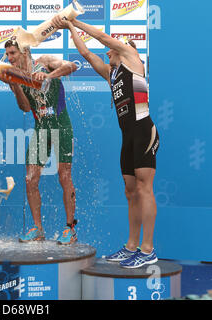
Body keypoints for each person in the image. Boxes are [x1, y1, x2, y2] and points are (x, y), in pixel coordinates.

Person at [52, 16, 160, 267]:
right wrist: (69, 28)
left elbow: (101, 38)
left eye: (112, 47)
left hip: (144, 131)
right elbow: (87, 53)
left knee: (144, 189)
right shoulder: (112, 74)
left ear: (124, 49)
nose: (107, 50)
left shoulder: (132, 58)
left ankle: (148, 249)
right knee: (130, 192)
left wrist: (75, 21)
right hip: (128, 136)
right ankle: (131, 246)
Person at [0, 39, 78, 245]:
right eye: (7, 54)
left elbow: (72, 66)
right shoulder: (15, 75)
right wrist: (15, 87)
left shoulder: (44, 61)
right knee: (30, 179)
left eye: (13, 53)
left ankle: (70, 228)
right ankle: (37, 229)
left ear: (25, 51)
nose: (9, 58)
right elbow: (25, 108)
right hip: (41, 128)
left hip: (61, 125)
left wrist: (47, 75)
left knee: (64, 176)